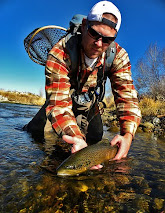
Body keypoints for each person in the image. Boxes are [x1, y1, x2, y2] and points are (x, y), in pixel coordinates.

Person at [24, 1, 141, 164]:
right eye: (94, 34)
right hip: (63, 101)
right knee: (38, 136)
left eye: (107, 40)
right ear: (85, 25)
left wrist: (128, 134)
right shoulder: (59, 53)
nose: (99, 44)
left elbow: (127, 97)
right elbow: (58, 104)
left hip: (91, 106)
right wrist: (76, 137)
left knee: (95, 140)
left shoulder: (118, 56)